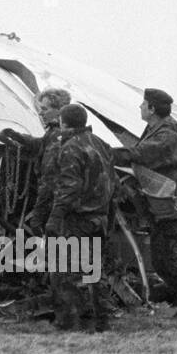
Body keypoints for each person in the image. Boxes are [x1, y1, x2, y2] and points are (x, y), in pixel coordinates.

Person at [109, 88, 177, 318]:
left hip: (173, 205)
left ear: (152, 109)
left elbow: (141, 154)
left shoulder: (167, 135)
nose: (140, 107)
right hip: (162, 206)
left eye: (143, 104)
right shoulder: (156, 130)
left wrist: (105, 152)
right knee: (161, 259)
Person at [46, 104, 116, 331]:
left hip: (78, 218)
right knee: (96, 271)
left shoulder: (70, 148)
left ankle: (70, 322)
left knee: (67, 271)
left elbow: (69, 186)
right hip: (100, 218)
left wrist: (55, 217)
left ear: (63, 122)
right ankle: (102, 320)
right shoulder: (102, 145)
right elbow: (111, 183)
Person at [0, 88, 71, 233]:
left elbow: (49, 181)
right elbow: (42, 143)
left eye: (45, 109)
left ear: (60, 111)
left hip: (56, 209)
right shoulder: (62, 133)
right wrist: (17, 136)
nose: (40, 113)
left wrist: (38, 216)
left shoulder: (57, 136)